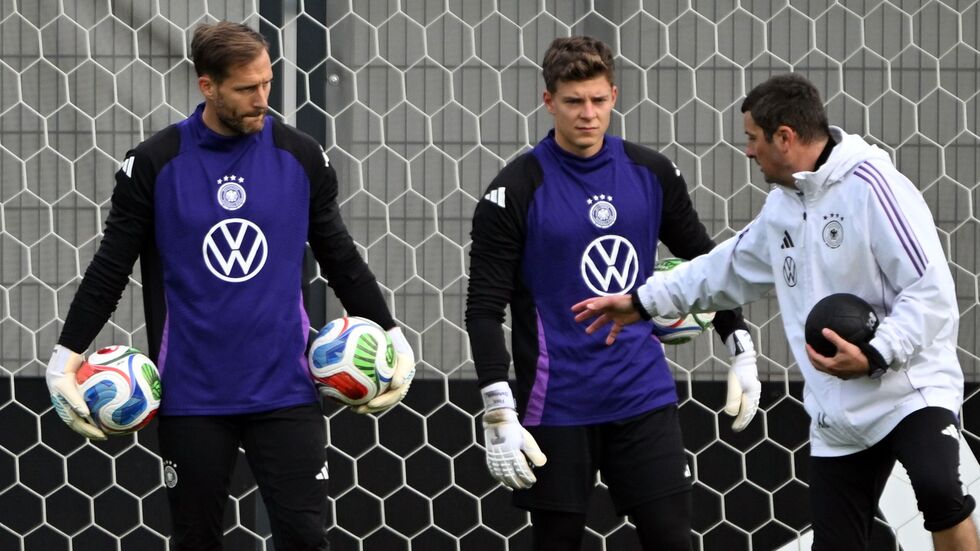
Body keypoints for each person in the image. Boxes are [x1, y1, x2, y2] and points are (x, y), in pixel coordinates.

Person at [44, 21, 416, 551]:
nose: (261, 99)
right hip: (192, 395)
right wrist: (65, 357)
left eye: (266, 83)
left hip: (286, 389)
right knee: (196, 539)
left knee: (307, 538)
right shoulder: (154, 164)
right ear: (207, 86)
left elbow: (340, 257)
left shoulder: (300, 156)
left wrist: (392, 334)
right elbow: (110, 267)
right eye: (246, 88)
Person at [573, 73, 979, 550]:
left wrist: (875, 354)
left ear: (784, 137)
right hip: (838, 411)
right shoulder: (782, 207)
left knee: (940, 492)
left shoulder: (873, 187)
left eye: (752, 138)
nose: (748, 151)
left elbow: (931, 292)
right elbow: (724, 269)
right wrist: (641, 302)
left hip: (908, 389)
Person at [464, 36, 761, 551]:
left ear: (615, 96)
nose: (588, 114)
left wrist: (739, 343)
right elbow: (484, 310)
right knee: (557, 543)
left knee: (673, 540)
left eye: (598, 100)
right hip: (555, 405)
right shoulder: (513, 190)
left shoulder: (652, 172)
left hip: (641, 395)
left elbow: (705, 262)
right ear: (548, 101)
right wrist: (498, 411)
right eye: (574, 102)